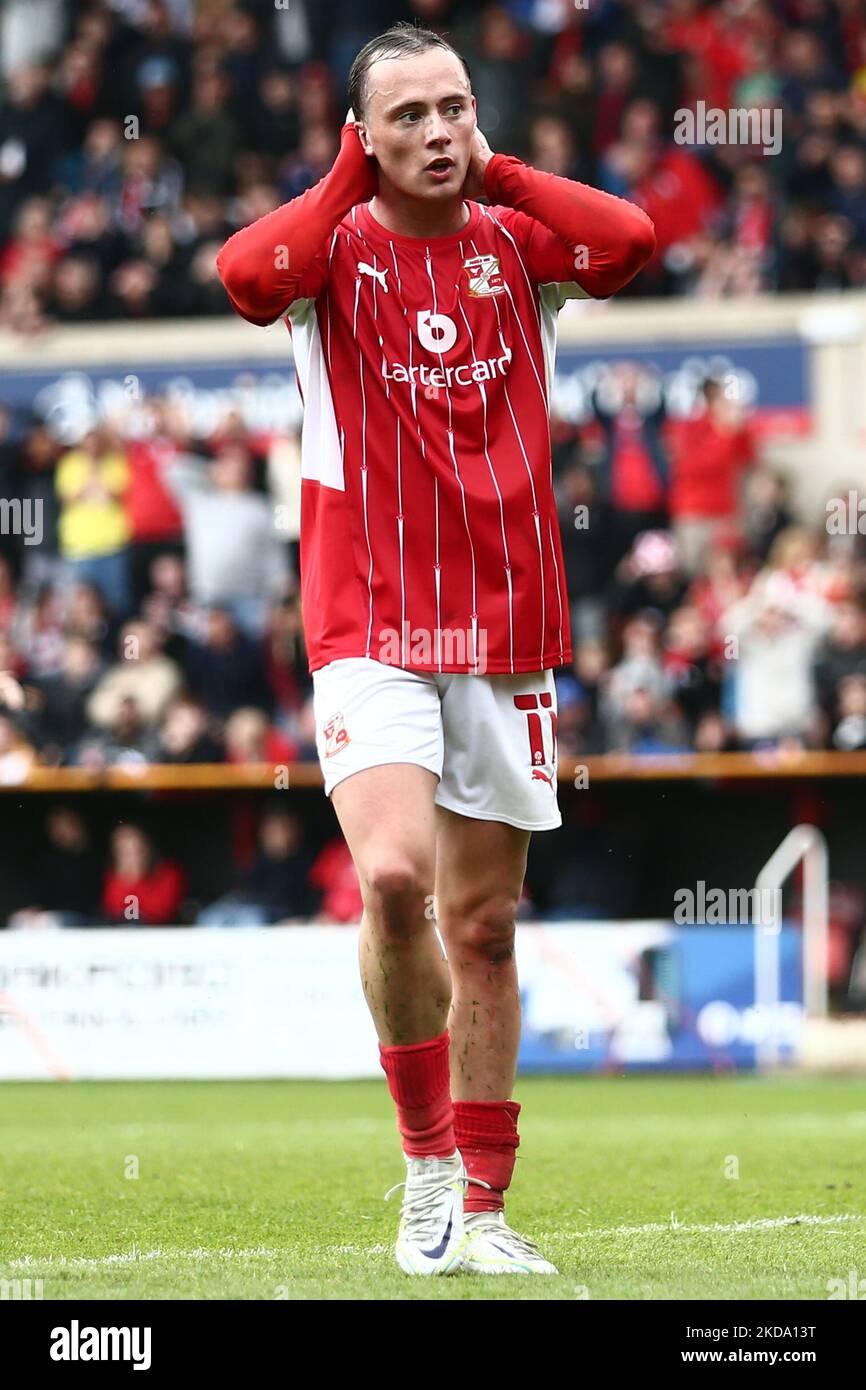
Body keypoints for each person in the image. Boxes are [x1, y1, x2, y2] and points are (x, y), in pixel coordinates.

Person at [217, 21, 654, 1278]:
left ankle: (486, 1206)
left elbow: (626, 243)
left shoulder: (519, 243)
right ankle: (421, 1167)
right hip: (368, 622)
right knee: (395, 881)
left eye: (452, 108)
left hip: (506, 629)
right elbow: (247, 275)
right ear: (361, 135)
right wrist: (346, 177)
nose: (436, 133)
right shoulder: (330, 250)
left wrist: (502, 168)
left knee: (485, 928)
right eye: (405, 115)